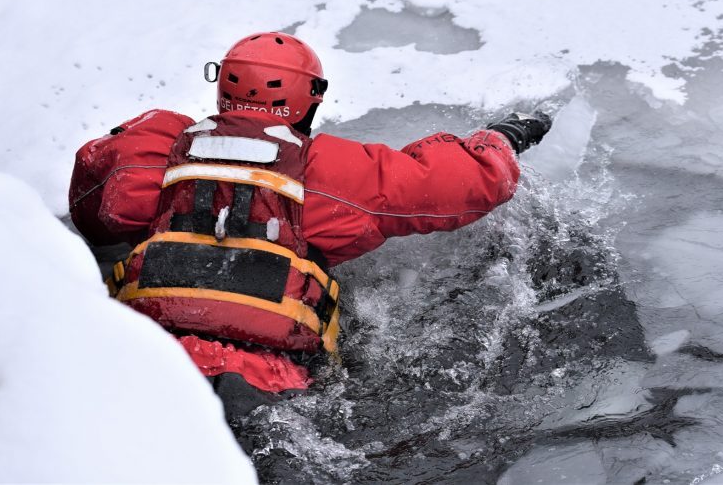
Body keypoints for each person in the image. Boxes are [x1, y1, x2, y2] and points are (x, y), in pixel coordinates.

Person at [69, 32, 551, 424]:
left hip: (142, 360)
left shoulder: (147, 149)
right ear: (310, 99)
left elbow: (91, 191)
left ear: (224, 86)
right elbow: (463, 184)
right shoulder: (332, 173)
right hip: (269, 388)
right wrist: (500, 138)